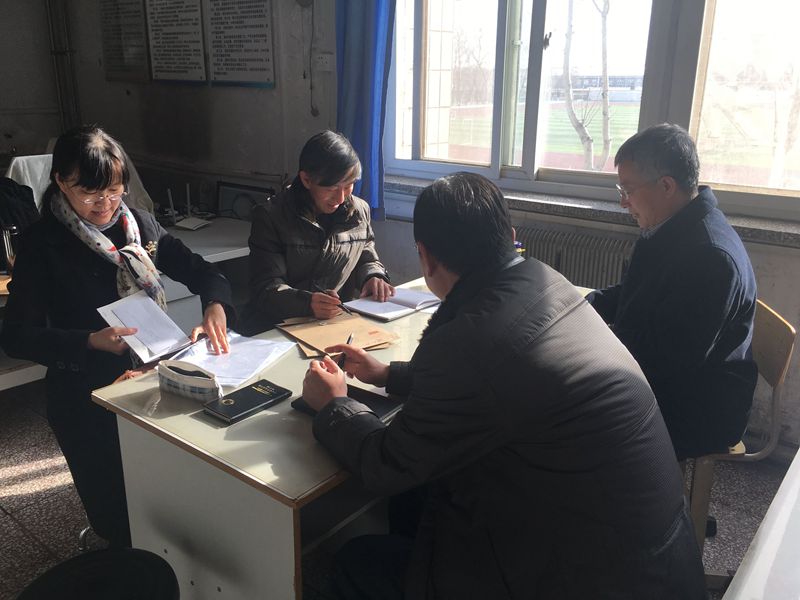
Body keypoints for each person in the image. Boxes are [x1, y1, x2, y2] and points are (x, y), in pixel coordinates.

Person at [301, 172, 706, 599]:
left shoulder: (467, 342)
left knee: (359, 560)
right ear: (510, 238)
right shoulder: (546, 281)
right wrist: (388, 375)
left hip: (586, 580)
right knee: (418, 499)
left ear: (425, 258)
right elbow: (501, 377)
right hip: (654, 559)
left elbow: (386, 465)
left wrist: (334, 406)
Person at [0, 125, 234, 547]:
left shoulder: (139, 226)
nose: (105, 205)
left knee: (168, 496)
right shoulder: (42, 244)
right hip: (86, 396)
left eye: (114, 191)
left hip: (151, 383)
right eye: (90, 194)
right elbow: (16, 335)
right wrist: (90, 341)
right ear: (61, 183)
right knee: (118, 514)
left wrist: (215, 303)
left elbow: (202, 271)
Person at [587, 123, 757, 461]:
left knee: (567, 408)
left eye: (628, 190)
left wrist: (592, 348)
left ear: (666, 186)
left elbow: (668, 363)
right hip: (668, 378)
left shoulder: (711, 257)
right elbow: (633, 293)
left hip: (698, 407)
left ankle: (625, 492)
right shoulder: (671, 226)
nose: (623, 202)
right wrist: (579, 307)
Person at [243, 130, 392, 332]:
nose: (341, 198)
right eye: (331, 189)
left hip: (330, 324)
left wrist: (373, 276)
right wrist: (307, 303)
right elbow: (265, 287)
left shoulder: (359, 211)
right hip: (275, 327)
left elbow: (365, 254)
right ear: (306, 179)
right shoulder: (271, 216)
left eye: (349, 186)